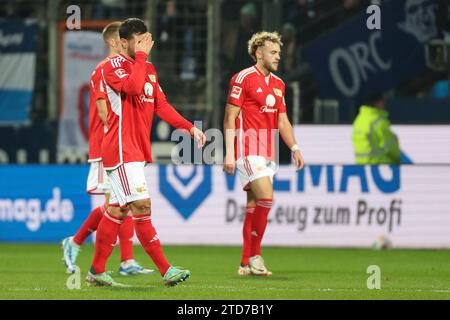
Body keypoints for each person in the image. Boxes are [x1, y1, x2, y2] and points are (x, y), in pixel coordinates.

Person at [85, 18, 206, 287]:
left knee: (116, 210)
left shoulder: (148, 69)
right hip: (120, 148)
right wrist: (140, 56)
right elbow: (132, 88)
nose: (144, 47)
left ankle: (96, 271)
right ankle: (166, 270)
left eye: (145, 41)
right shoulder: (110, 67)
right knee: (142, 206)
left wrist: (188, 127)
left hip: (137, 150)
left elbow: (160, 105)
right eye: (138, 42)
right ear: (125, 42)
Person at [62, 21, 153, 276]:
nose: (136, 45)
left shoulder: (126, 69)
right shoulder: (103, 70)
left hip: (120, 145)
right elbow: (104, 113)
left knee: (119, 203)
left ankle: (124, 261)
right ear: (116, 42)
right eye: (131, 41)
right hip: (108, 146)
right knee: (118, 204)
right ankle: (78, 243)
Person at [223, 31, 305, 276]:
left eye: (279, 53)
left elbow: (283, 121)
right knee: (267, 199)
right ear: (259, 54)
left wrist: (295, 148)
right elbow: (230, 117)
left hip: (268, 153)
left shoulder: (279, 84)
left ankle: (244, 263)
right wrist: (228, 153)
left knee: (253, 205)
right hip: (247, 151)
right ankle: (256, 257)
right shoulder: (243, 78)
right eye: (273, 52)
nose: (278, 56)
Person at [352, 92, 401, 164]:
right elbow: (390, 146)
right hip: (378, 164)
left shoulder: (359, 120)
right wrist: (398, 159)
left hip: (360, 164)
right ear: (378, 103)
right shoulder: (378, 121)